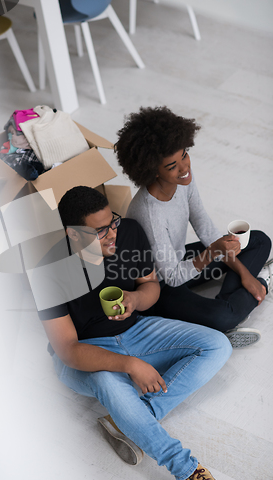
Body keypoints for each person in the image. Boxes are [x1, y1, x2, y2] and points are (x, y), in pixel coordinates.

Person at [36, 185, 235, 480]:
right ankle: (188, 471)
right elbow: (68, 350)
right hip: (85, 352)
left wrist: (136, 298)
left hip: (136, 330)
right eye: (100, 231)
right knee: (106, 381)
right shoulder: (46, 271)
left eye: (111, 222)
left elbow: (150, 285)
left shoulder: (127, 232)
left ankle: (129, 418)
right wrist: (130, 364)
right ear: (73, 234)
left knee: (218, 345)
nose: (112, 234)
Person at [115, 106, 272, 348]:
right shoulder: (148, 214)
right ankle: (258, 287)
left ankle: (235, 301)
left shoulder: (184, 179)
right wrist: (214, 254)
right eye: (172, 166)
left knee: (259, 240)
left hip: (180, 259)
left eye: (185, 154)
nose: (184, 167)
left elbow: (205, 226)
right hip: (160, 284)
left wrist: (243, 273)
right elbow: (174, 276)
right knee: (222, 316)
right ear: (151, 170)